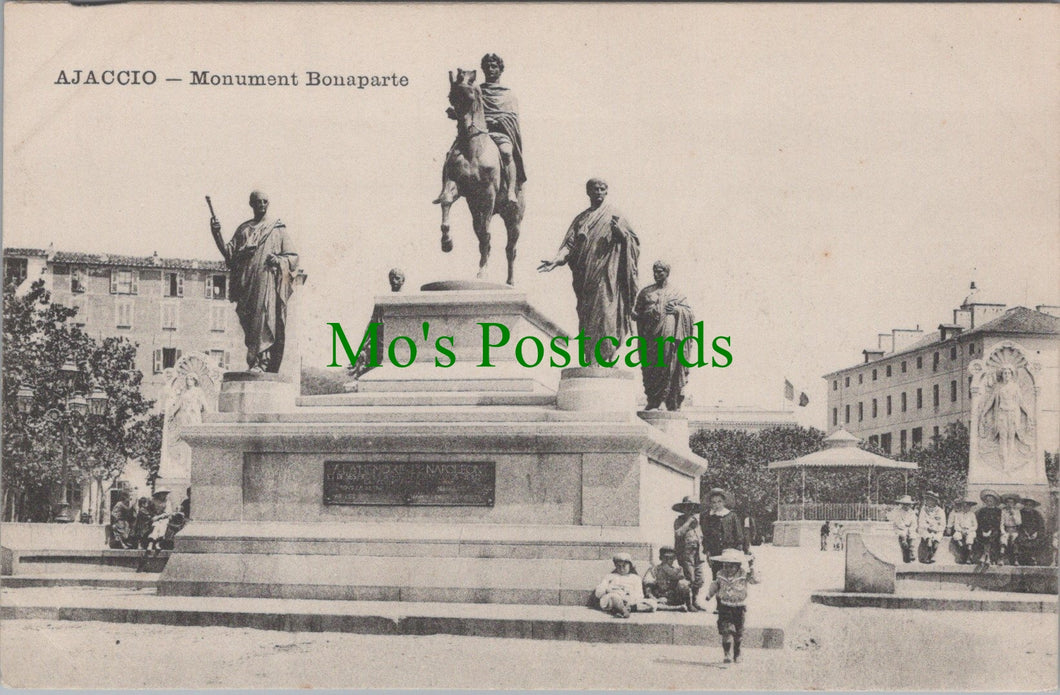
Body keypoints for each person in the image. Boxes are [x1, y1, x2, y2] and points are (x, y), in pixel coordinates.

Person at [538, 179, 640, 365]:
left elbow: (633, 245)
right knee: (587, 317)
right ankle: (591, 358)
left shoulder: (615, 216)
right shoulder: (581, 219)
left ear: (607, 192)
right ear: (588, 192)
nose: (599, 192)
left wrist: (622, 236)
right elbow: (569, 245)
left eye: (602, 189)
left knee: (606, 313)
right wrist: (556, 260)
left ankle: (605, 357)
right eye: (595, 189)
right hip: (585, 278)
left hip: (607, 276)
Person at [210, 190, 299, 373]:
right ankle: (255, 360)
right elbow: (229, 254)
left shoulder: (277, 229)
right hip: (247, 283)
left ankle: (262, 362)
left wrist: (278, 260)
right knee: (249, 323)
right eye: (258, 202)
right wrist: (216, 234)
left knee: (264, 320)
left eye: (265, 201)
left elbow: (293, 257)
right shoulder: (244, 230)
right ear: (251, 204)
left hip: (266, 283)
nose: (262, 205)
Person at [632, 261, 696, 411]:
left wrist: (677, 310)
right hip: (649, 335)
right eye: (654, 271)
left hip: (668, 334)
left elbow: (689, 314)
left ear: (667, 273)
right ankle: (652, 399)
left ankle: (664, 399)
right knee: (649, 366)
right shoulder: (645, 292)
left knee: (667, 364)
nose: (656, 275)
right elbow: (637, 312)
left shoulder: (677, 293)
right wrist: (633, 313)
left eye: (660, 272)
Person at [479, 53, 524, 205]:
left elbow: (511, 118)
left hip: (499, 134)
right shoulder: (477, 91)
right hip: (479, 133)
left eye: (494, 66)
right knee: (453, 155)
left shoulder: (508, 94)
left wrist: (497, 121)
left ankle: (511, 190)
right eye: (487, 67)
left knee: (506, 152)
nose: (490, 69)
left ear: (500, 70)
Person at [703, 548, 760, 665]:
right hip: (725, 606)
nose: (728, 569)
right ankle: (727, 654)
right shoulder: (720, 575)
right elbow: (715, 585)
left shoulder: (744, 575)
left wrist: (751, 568)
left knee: (738, 633)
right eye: (725, 566)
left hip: (739, 607)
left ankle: (737, 653)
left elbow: (755, 580)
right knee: (726, 631)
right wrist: (709, 594)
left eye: (731, 567)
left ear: (738, 566)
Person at [594, 553, 656, 618]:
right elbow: (599, 591)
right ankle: (624, 611)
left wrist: (628, 597)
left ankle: (625, 609)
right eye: (619, 566)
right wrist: (607, 590)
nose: (621, 569)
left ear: (630, 565)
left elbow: (639, 594)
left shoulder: (636, 578)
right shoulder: (610, 576)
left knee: (652, 604)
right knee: (614, 598)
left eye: (624, 566)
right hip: (614, 597)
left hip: (630, 600)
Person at [672, 496, 707, 610]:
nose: (690, 510)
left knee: (699, 579)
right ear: (683, 509)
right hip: (686, 554)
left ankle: (695, 600)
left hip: (698, 554)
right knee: (689, 579)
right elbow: (678, 534)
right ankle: (689, 603)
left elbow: (701, 538)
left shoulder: (697, 523)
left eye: (692, 508)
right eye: (687, 508)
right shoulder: (679, 521)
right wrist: (688, 522)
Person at [702, 488, 745, 579]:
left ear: (724, 502)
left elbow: (739, 534)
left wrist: (739, 550)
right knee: (717, 576)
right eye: (713, 502)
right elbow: (706, 536)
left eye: (719, 502)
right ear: (710, 504)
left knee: (731, 576)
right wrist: (708, 552)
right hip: (715, 552)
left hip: (730, 551)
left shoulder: (731, 516)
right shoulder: (708, 517)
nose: (716, 505)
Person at [642, 546, 693, 611]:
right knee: (652, 604)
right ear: (661, 558)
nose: (668, 560)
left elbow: (685, 586)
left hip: (673, 598)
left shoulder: (678, 570)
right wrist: (655, 599)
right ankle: (673, 608)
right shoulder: (654, 569)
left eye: (671, 558)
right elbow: (648, 588)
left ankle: (687, 606)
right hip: (659, 598)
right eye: (666, 558)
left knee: (683, 584)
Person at [973, 489, 1002, 567]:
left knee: (992, 537)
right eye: (987, 501)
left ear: (994, 502)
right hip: (983, 530)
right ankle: (987, 557)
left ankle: (985, 555)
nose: (989, 502)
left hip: (994, 529)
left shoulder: (998, 511)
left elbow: (998, 523)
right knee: (982, 537)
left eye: (991, 501)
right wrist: (983, 530)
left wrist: (990, 530)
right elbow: (979, 522)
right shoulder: (982, 511)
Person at [917, 491, 946, 564]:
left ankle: (931, 556)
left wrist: (936, 529)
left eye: (930, 500)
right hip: (925, 530)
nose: (928, 501)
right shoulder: (923, 510)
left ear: (935, 502)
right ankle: (926, 556)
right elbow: (921, 522)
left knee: (936, 544)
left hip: (937, 531)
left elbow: (942, 524)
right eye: (927, 499)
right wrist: (927, 527)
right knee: (928, 540)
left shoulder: (940, 511)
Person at [947, 499, 978, 564]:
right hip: (960, 530)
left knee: (970, 538)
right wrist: (961, 530)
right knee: (956, 535)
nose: (965, 508)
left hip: (969, 530)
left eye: (967, 506)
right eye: (964, 506)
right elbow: (956, 525)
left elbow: (975, 525)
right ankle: (963, 550)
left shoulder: (972, 515)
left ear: (970, 507)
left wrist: (969, 530)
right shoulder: (958, 514)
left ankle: (969, 555)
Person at [1016, 497, 1045, 566]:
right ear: (1024, 505)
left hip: (1034, 533)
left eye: (1030, 505)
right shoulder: (1020, 513)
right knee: (1021, 540)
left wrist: (1036, 533)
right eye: (1027, 504)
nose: (1028, 507)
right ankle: (1021, 559)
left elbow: (1041, 526)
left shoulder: (1037, 514)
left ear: (1033, 506)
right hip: (1022, 533)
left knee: (1038, 540)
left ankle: (1033, 558)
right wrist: (1024, 533)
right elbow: (1018, 525)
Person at [889, 495, 917, 563]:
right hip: (900, 528)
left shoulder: (912, 513)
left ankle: (911, 551)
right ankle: (904, 543)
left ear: (910, 505)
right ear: (902, 504)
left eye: (908, 505)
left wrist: (910, 529)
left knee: (913, 535)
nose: (906, 506)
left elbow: (914, 523)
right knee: (902, 534)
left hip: (909, 528)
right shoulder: (898, 512)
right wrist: (905, 528)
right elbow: (898, 522)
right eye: (904, 504)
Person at [999, 493, 1022, 565]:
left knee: (1015, 539)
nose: (1009, 504)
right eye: (1008, 502)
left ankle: (1016, 559)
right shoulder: (1004, 511)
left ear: (1014, 503)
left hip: (1014, 530)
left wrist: (1013, 515)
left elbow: (1019, 523)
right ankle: (1001, 559)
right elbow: (1002, 523)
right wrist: (1003, 531)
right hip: (1006, 530)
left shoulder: (1017, 511)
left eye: (1011, 502)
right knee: (1003, 539)